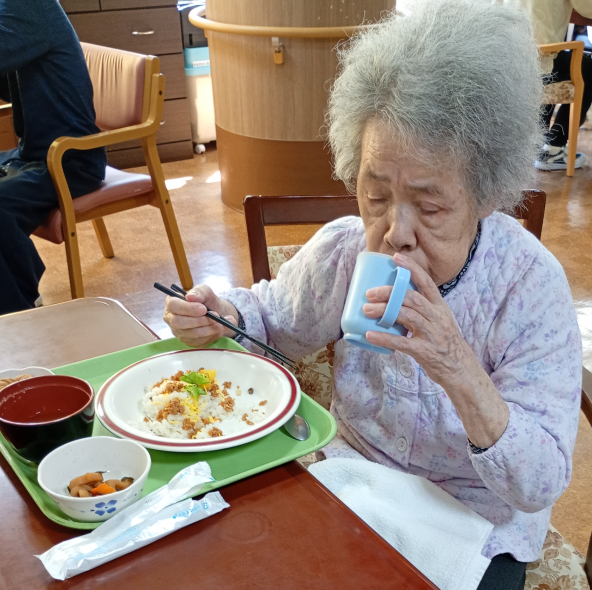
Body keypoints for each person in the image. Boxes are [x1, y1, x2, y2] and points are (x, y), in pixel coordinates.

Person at [163, 1, 582, 588]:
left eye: (429, 206)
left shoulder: (529, 286)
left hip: (476, 523)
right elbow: (271, 319)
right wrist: (220, 313)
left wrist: (456, 365)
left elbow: (538, 482)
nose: (394, 232)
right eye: (376, 196)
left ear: (487, 194)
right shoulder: (345, 252)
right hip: (353, 484)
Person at [0, 0, 106, 316]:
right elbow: (2, 78)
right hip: (34, 153)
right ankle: (15, 285)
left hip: (70, 160)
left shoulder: (28, 4)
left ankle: (19, 309)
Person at [506, 0, 592, 170]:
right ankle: (554, 148)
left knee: (556, 56)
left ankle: (536, 144)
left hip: (507, 59)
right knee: (587, 67)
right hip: (541, 61)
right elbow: (588, 9)